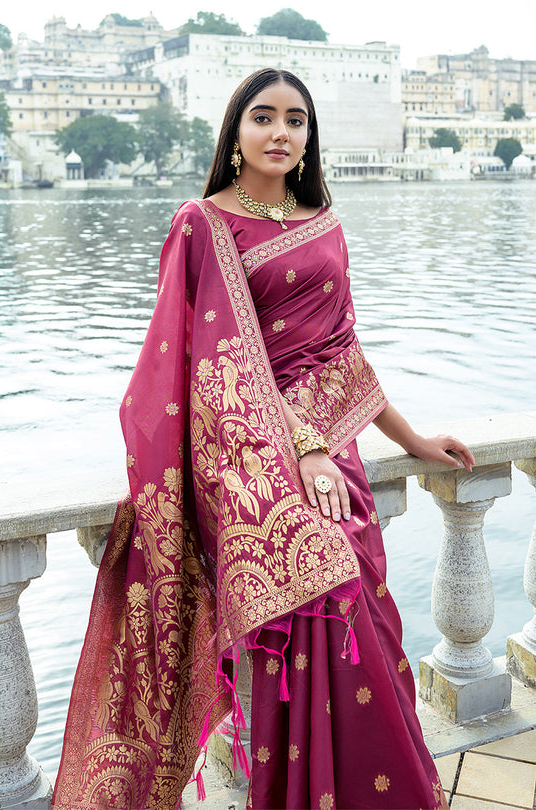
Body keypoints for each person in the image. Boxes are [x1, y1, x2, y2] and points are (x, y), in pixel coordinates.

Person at [52, 69, 475, 810]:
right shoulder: (202, 224)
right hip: (250, 456)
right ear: (236, 132)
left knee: (364, 617)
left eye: (297, 121)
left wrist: (412, 438)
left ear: (310, 138)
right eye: (264, 117)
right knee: (324, 601)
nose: (281, 133)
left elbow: (344, 353)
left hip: (330, 455)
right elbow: (209, 369)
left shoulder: (325, 221)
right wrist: (301, 446)